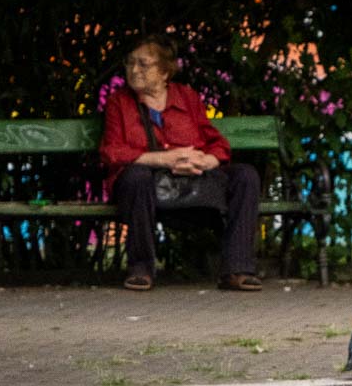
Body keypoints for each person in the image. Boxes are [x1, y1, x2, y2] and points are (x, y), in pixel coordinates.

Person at [98, 35, 263, 291]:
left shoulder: (187, 97)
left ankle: (236, 269)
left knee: (246, 176)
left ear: (165, 72)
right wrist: (164, 159)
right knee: (137, 177)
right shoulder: (119, 103)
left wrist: (205, 161)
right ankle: (141, 269)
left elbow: (217, 143)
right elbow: (112, 152)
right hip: (144, 184)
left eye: (143, 64)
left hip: (192, 178)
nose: (134, 70)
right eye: (130, 63)